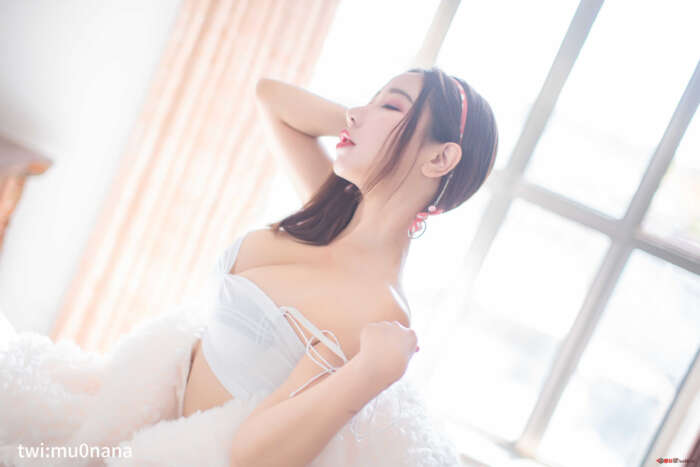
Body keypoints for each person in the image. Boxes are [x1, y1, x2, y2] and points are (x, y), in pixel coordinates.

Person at [180, 66, 499, 466]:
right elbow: (271, 96)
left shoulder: (378, 311)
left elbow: (255, 457)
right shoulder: (331, 211)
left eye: (391, 106)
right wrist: (362, 125)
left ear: (440, 157)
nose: (354, 112)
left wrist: (369, 372)